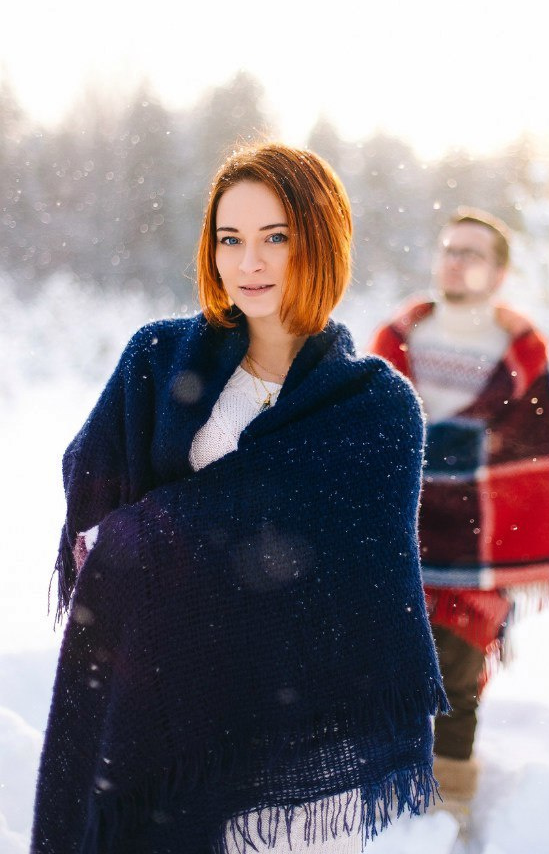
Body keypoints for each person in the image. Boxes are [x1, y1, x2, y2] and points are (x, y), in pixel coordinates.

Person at [32, 144, 448, 854]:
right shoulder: (158, 360)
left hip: (285, 728)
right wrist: (133, 546)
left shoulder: (374, 407)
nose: (248, 262)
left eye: (275, 237)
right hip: (158, 697)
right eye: (230, 239)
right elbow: (93, 494)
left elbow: (355, 576)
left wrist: (152, 539)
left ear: (321, 240)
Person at [369, 207, 549, 828]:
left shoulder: (522, 352)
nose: (455, 259)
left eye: (472, 252)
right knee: (381, 663)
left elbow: (532, 455)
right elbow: (364, 429)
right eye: (449, 247)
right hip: (397, 530)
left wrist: (449, 449)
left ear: (499, 273)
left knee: (456, 673)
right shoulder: (398, 338)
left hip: (478, 541)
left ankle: (450, 806)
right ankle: (380, 790)